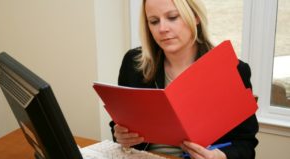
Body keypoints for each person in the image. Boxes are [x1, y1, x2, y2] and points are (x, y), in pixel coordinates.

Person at [109, 0, 259, 158]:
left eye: (173, 17)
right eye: (154, 21)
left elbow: (246, 144)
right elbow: (119, 124)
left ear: (195, 17)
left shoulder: (232, 70)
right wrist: (120, 135)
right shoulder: (133, 63)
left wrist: (220, 156)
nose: (162, 29)